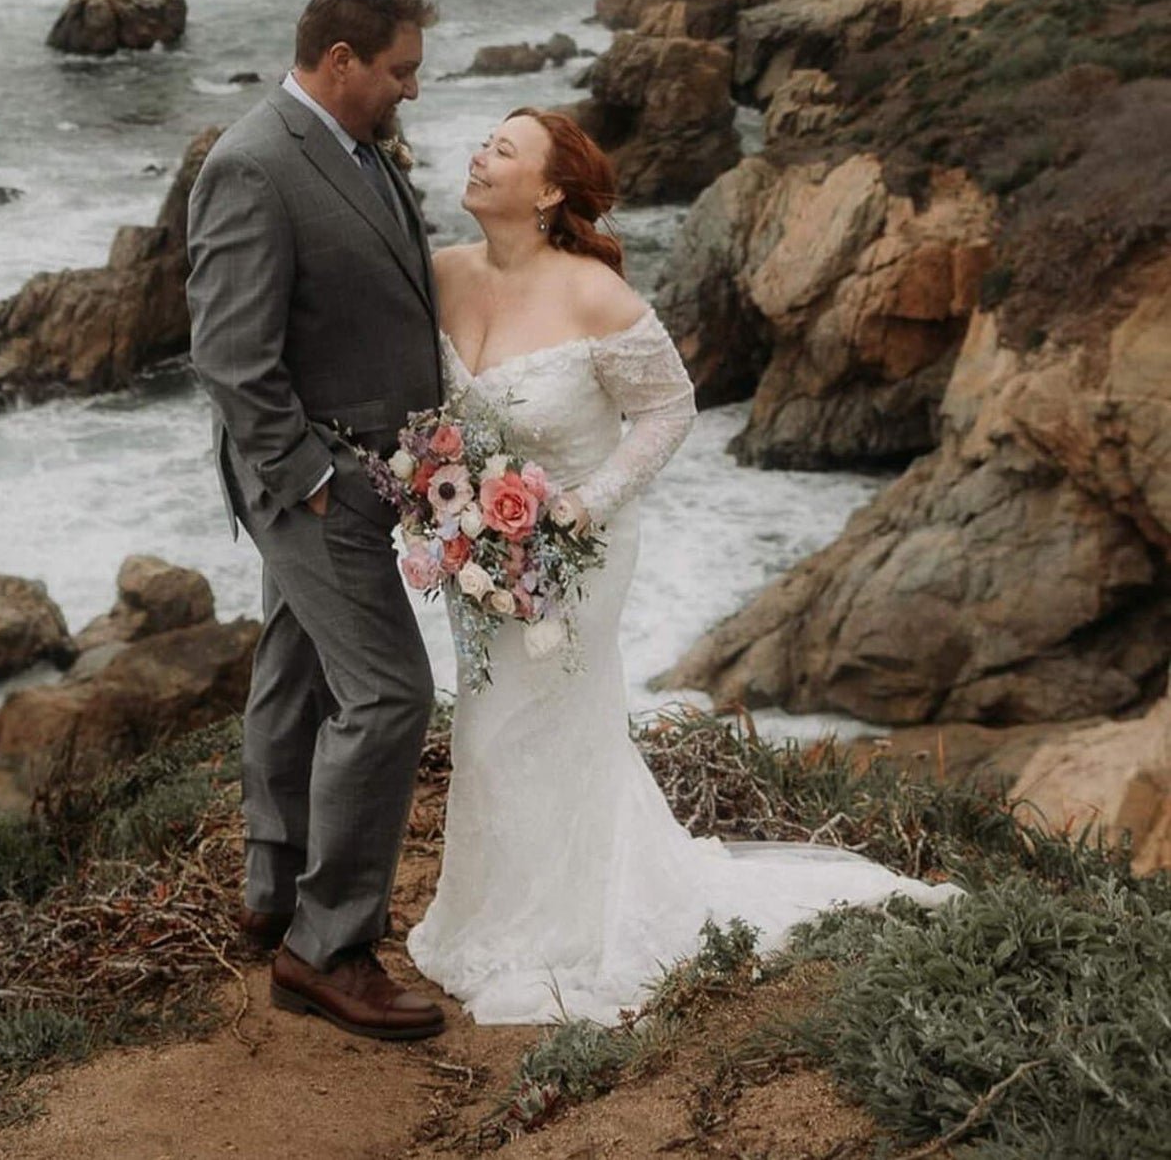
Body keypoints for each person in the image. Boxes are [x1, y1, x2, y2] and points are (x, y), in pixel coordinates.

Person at [407, 107, 957, 1025]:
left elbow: (670, 409)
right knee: (485, 727)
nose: (479, 155)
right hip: (487, 551)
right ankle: (488, 915)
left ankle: (568, 929)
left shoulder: (594, 294)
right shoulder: (444, 273)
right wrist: (440, 496)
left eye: (503, 149)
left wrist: (587, 504)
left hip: (580, 550)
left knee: (548, 722)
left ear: (547, 191)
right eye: (484, 143)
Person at [185, 0, 448, 1041]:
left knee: (295, 671)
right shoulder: (253, 164)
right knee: (389, 694)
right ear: (341, 61)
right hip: (315, 484)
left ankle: (274, 885)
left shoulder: (357, 145)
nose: (410, 91)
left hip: (365, 475)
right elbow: (230, 358)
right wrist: (312, 479)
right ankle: (328, 947)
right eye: (399, 71)